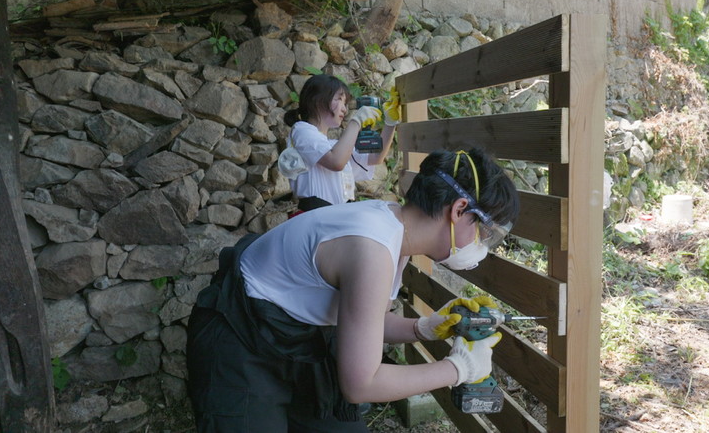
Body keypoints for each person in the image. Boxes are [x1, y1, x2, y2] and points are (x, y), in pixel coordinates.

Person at [187, 148, 520, 432]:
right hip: (239, 331)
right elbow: (361, 385)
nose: (483, 245)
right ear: (458, 210)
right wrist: (459, 369)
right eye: (485, 233)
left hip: (294, 332)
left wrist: (424, 328)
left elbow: (371, 321)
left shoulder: (395, 227)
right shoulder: (372, 248)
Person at [279, 74, 399, 212]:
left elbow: (375, 158)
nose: (344, 109)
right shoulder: (301, 130)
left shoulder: (333, 145)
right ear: (318, 100)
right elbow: (336, 162)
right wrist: (356, 122)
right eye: (339, 99)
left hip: (336, 215)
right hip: (316, 215)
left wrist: (390, 123)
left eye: (345, 103)